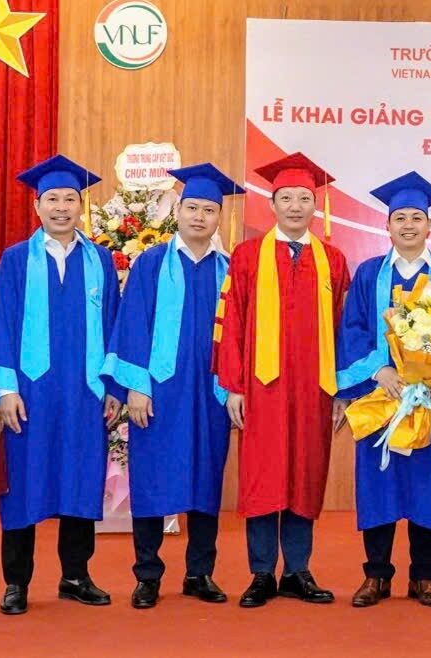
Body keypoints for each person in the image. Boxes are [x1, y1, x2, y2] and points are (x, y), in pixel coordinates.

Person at [336, 172, 431, 609]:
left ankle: (424, 577)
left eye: (417, 217)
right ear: (387, 226)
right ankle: (376, 576)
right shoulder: (368, 275)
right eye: (400, 218)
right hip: (382, 397)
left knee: (428, 487)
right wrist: (378, 370)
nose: (409, 225)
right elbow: (352, 330)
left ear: (429, 226)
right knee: (378, 486)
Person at [103, 163, 242, 609]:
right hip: (159, 393)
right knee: (152, 480)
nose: (200, 216)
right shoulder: (151, 263)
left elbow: (240, 334)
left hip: (210, 392)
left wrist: (234, 386)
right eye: (192, 208)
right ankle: (147, 575)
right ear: (178, 211)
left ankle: (200, 573)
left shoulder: (230, 269)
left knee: (206, 480)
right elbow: (132, 324)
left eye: (209, 210)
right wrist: (136, 387)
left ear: (219, 217)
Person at [0, 155, 122, 615]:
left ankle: (75, 575)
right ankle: (16, 582)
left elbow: (114, 324)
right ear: (37, 206)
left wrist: (113, 387)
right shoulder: (15, 259)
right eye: (52, 199)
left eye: (70, 199)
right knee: (23, 485)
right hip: (30, 393)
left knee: (80, 481)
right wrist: (5, 389)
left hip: (85, 391)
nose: (61, 207)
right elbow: (1, 324)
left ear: (81, 206)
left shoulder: (100, 260)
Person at [216, 152, 351, 607]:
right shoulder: (247, 256)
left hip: (314, 388)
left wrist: (341, 390)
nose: (295, 206)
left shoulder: (333, 260)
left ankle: (297, 570)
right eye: (286, 198)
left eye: (304, 198)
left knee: (304, 474)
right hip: (262, 387)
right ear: (271, 204)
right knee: (263, 476)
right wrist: (233, 386)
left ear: (316, 206)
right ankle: (261, 573)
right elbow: (231, 324)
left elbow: (343, 330)